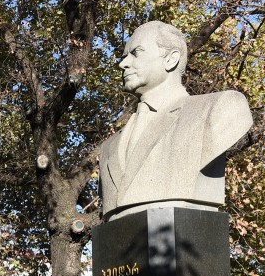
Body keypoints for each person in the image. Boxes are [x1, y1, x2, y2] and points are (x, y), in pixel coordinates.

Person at [98, 21, 253, 220]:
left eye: (136, 53)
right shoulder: (109, 148)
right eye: (124, 56)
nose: (123, 64)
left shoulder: (220, 108)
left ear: (171, 59)